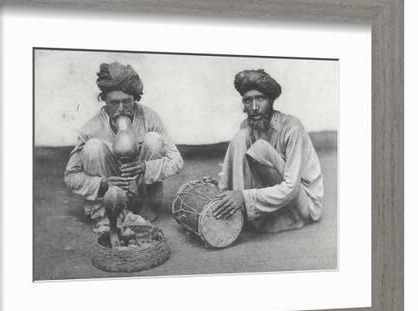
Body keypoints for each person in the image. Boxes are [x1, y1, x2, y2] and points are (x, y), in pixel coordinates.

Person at [64, 61, 184, 234]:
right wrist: (102, 184)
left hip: (142, 196)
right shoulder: (91, 128)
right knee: (93, 147)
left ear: (135, 98)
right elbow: (71, 176)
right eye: (114, 103)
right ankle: (104, 216)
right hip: (108, 197)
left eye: (127, 101)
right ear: (104, 101)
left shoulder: (150, 118)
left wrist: (145, 167)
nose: (121, 108)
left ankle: (146, 205)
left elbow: (177, 161)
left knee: (153, 139)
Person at [213, 69, 324, 233]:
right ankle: (234, 209)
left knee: (260, 148)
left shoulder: (292, 127)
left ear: (271, 101)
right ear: (243, 105)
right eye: (248, 101)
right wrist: (223, 189)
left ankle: (247, 211)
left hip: (304, 203)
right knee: (241, 135)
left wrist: (243, 197)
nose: (255, 107)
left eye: (261, 99)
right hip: (276, 196)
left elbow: (291, 187)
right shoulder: (246, 127)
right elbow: (242, 168)